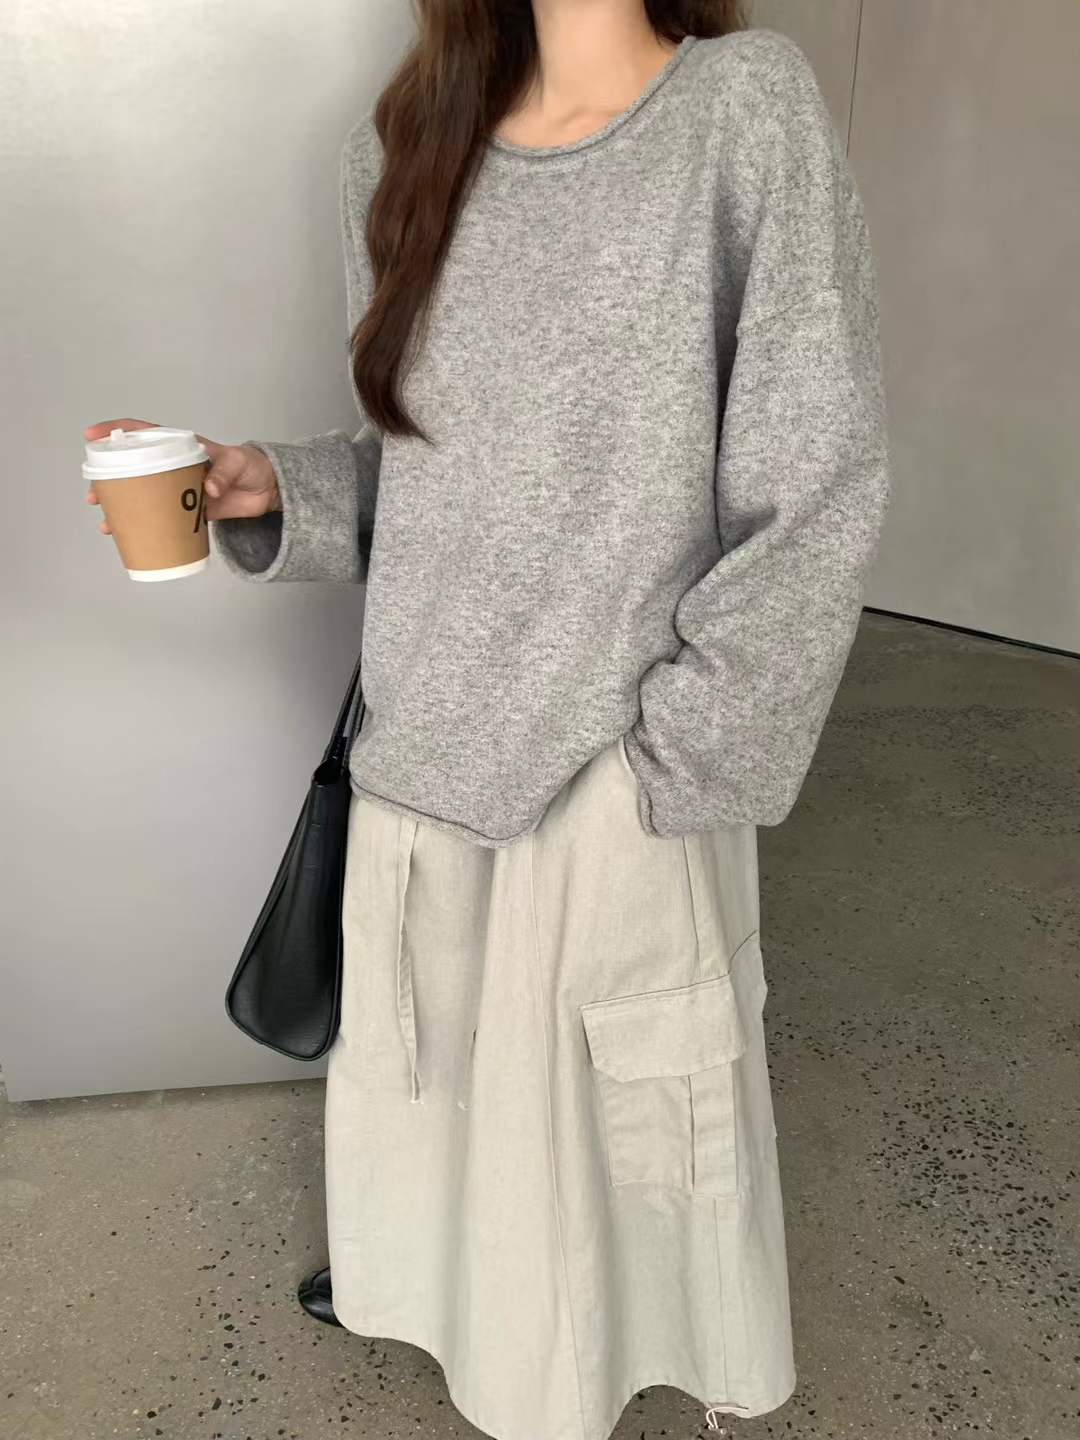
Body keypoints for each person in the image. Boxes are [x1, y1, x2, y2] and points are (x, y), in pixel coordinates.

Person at [86, 2, 890, 1435]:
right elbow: (431, 471)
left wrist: (681, 761)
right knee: (441, 1122)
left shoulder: (741, 111)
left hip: (612, 772)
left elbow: (812, 482)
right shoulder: (401, 144)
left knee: (594, 1171)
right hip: (418, 751)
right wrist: (278, 489)